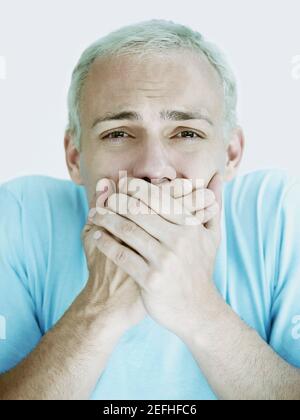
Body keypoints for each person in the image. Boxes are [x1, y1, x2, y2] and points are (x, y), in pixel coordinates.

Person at [0, 19, 299, 400]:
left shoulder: (282, 213)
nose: (154, 170)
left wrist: (197, 307)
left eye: (187, 133)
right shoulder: (19, 216)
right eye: (119, 133)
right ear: (75, 157)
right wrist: (99, 310)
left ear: (230, 153)